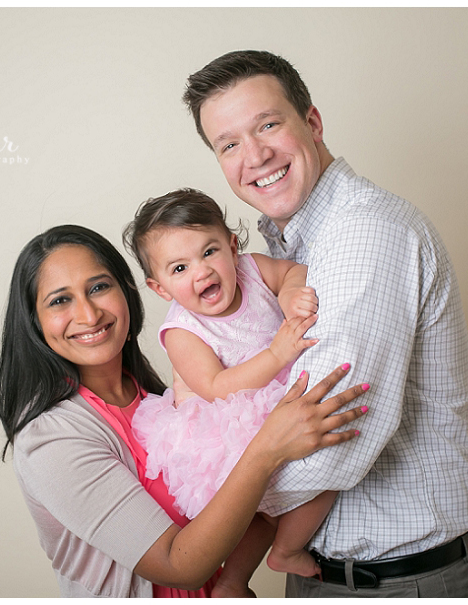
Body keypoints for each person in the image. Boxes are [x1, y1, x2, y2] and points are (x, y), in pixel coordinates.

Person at [182, 50, 468, 597]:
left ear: (312, 122)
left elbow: (330, 446)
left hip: (401, 581)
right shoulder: (284, 255)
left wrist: (207, 490)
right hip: (325, 571)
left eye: (268, 124)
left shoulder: (362, 236)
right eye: (228, 144)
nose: (253, 156)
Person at [0, 224, 369, 597]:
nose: (89, 314)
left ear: (128, 292)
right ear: (34, 323)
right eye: (60, 300)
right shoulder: (53, 438)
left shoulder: (156, 402)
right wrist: (269, 447)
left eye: (98, 287)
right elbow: (178, 566)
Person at [124, 189, 365, 596]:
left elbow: (292, 271)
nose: (201, 272)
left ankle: (276, 555)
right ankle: (239, 577)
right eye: (179, 268)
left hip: (274, 402)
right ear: (160, 287)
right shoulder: (183, 331)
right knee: (268, 505)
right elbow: (216, 387)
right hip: (224, 426)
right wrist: (276, 354)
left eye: (209, 252)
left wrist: (289, 293)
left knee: (317, 477)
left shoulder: (252, 269)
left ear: (233, 247)